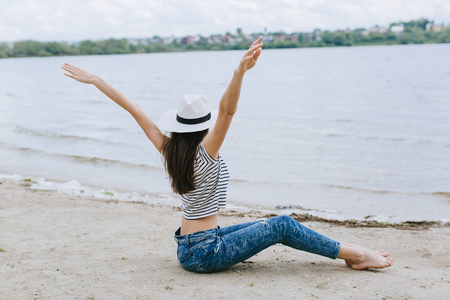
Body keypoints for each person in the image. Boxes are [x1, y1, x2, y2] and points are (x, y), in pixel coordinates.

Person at [61, 36, 393, 273]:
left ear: (178, 126)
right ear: (202, 127)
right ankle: (355, 254)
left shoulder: (169, 148)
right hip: (206, 252)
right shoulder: (206, 150)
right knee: (282, 225)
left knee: (270, 224)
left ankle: (353, 251)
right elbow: (227, 111)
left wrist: (96, 80)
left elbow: (133, 108)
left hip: (194, 245)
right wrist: (239, 72)